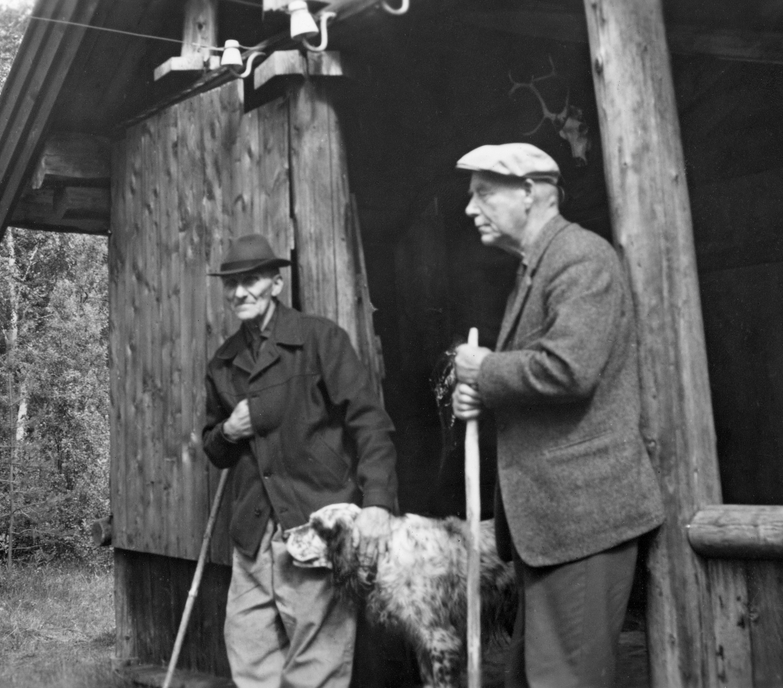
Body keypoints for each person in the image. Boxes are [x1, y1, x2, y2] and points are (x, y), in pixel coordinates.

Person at [450, 143, 665, 687]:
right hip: (553, 521)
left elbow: (568, 369)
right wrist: (482, 391)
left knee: (562, 679)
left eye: (482, 194)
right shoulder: (536, 267)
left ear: (530, 192)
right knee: (534, 677)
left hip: (582, 516)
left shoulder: (579, 257)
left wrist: (487, 371)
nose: (470, 209)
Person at [201, 233, 397, 688]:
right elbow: (213, 447)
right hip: (252, 533)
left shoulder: (319, 340)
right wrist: (229, 430)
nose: (239, 292)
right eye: (231, 284)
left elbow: (371, 424)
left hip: (315, 523)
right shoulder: (223, 363)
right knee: (249, 653)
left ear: (275, 283)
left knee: (317, 664)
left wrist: (378, 502)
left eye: (250, 280)